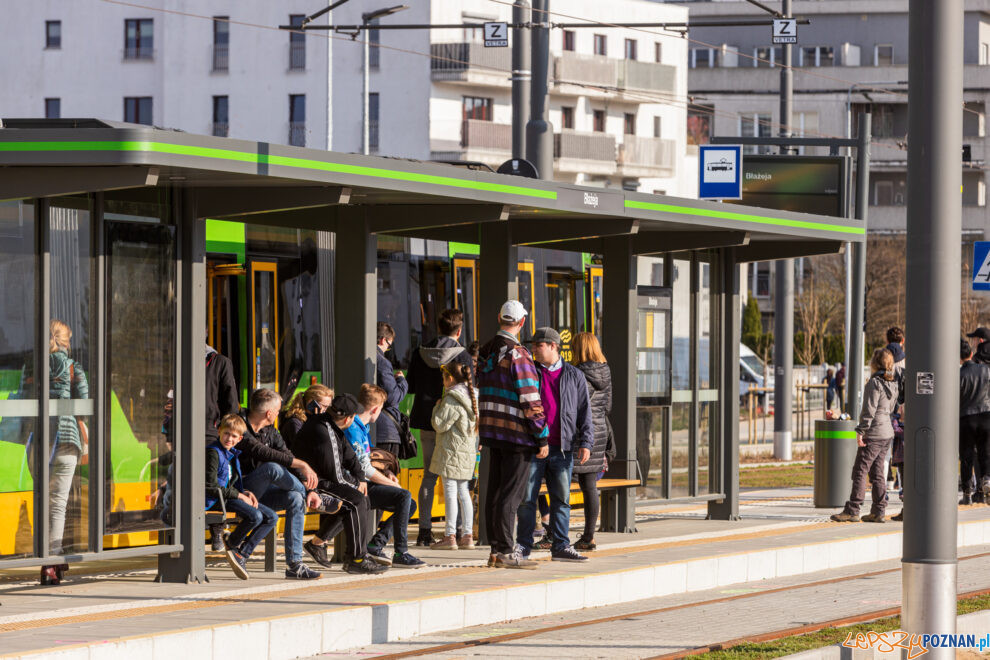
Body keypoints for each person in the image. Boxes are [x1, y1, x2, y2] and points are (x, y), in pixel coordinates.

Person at [477, 300, 548, 569]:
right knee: (511, 494)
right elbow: (530, 398)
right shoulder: (518, 354)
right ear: (521, 323)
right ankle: (506, 551)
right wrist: (541, 436)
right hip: (517, 435)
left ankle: (496, 550)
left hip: (493, 432)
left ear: (499, 317)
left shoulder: (485, 351)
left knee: (495, 491)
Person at [516, 327, 593, 562]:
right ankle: (523, 546)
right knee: (527, 499)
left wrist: (586, 441)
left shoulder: (574, 375)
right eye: (533, 345)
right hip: (534, 447)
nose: (534, 349)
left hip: (562, 448)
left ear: (553, 346)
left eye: (538, 345)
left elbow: (584, 412)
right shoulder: (530, 373)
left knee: (561, 500)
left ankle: (561, 546)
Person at [294, 394, 388, 574]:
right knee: (357, 500)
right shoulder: (323, 431)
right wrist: (355, 486)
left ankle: (348, 555)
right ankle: (357, 558)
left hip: (322, 479)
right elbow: (336, 475)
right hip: (311, 483)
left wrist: (360, 479)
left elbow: (350, 456)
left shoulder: (331, 425)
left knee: (360, 500)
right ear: (348, 418)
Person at [236, 389, 323, 579]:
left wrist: (310, 488)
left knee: (295, 498)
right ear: (269, 413)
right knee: (272, 468)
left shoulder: (270, 431)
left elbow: (286, 455)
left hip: (261, 494)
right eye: (277, 411)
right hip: (239, 490)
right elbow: (262, 453)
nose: (278, 414)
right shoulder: (239, 425)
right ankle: (313, 496)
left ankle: (295, 565)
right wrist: (303, 465)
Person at [406, 308, 473, 547]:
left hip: (427, 421)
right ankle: (456, 531)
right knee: (455, 478)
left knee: (429, 476)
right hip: (455, 426)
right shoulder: (463, 356)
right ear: (459, 330)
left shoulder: (420, 352)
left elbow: (411, 385)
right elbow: (470, 389)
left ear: (438, 327)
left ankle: (425, 531)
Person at [344, 384, 424, 568]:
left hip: (361, 483)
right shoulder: (354, 430)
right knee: (404, 496)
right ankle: (401, 552)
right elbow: (364, 469)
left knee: (409, 503)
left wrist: (386, 471)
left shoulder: (362, 428)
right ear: (375, 409)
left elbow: (368, 459)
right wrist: (390, 483)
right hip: (355, 485)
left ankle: (376, 544)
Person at [41, 320, 89, 585]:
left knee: (42, 501)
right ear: (66, 341)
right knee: (58, 504)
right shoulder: (73, 368)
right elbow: (85, 401)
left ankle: (42, 558)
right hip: (67, 440)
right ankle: (52, 562)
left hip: (39, 440)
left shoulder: (35, 365)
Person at [205, 414, 278, 580]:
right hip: (215, 501)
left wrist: (244, 493)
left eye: (234, 436)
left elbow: (228, 482)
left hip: (228, 497)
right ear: (219, 431)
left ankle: (241, 554)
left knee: (271, 517)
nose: (229, 438)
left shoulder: (231, 453)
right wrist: (239, 495)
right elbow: (211, 487)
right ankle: (232, 544)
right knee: (255, 516)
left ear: (240, 438)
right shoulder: (213, 453)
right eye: (226, 434)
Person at [831, 348, 899, 524]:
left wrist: (861, 431)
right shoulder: (893, 384)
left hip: (874, 432)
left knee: (860, 469)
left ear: (875, 364)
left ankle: (853, 509)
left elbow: (869, 410)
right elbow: (891, 409)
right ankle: (878, 510)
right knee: (877, 472)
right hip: (887, 433)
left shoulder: (874, 383)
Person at [570, 332, 614, 552]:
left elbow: (573, 406)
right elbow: (608, 407)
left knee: (553, 481)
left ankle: (551, 531)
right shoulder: (605, 372)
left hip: (580, 433)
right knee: (589, 487)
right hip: (599, 432)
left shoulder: (575, 373)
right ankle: (589, 536)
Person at [429, 362, 479, 550]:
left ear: (449, 378)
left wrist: (436, 407)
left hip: (452, 452)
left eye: (443, 378)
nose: (442, 382)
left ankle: (450, 536)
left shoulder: (452, 399)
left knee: (450, 491)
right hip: (466, 453)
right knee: (464, 493)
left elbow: (439, 424)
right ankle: (467, 536)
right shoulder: (471, 395)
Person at [959, 339, 990, 505]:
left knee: (966, 457)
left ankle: (967, 494)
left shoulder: (959, 375)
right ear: (971, 354)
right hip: (986, 415)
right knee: (986, 452)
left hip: (966, 418)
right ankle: (986, 479)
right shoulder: (986, 370)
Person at [375, 322, 409, 456]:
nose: (387, 350)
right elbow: (393, 397)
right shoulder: (382, 362)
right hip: (385, 429)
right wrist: (402, 381)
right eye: (389, 346)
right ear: (383, 340)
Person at [281, 384, 334, 451]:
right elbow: (304, 447)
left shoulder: (314, 419)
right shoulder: (295, 422)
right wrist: (317, 423)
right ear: (312, 403)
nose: (325, 410)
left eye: (327, 407)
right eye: (324, 406)